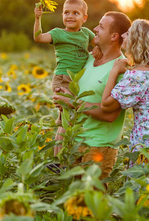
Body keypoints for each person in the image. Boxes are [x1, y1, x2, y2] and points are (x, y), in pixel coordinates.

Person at [53, 11, 132, 180]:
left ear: (113, 36)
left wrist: (73, 103)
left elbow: (110, 115)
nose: (95, 28)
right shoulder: (88, 59)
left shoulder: (121, 69)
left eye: (101, 27)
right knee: (72, 200)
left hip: (99, 147)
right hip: (75, 142)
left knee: (91, 200)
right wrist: (66, 96)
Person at [34, 0, 99, 156]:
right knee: (68, 119)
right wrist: (38, 18)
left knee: (72, 118)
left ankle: (68, 154)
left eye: (75, 13)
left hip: (79, 81)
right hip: (64, 79)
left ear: (84, 18)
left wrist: (98, 48)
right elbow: (39, 37)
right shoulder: (58, 33)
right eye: (66, 12)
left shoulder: (86, 34)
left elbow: (101, 43)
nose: (70, 16)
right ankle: (58, 159)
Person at [101, 19, 149, 167]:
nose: (123, 36)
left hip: (147, 141)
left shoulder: (138, 76)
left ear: (136, 40)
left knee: (143, 183)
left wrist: (115, 70)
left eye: (128, 33)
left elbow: (106, 105)